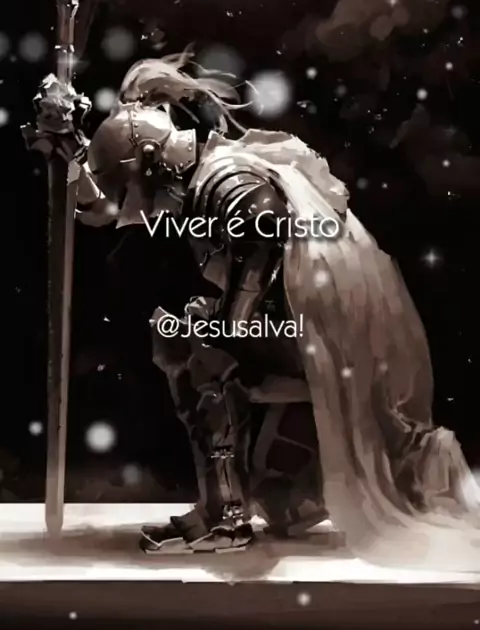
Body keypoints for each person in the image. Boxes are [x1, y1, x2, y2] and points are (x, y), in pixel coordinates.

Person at [25, 53, 480, 569]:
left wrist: (221, 330)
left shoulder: (229, 182)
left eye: (139, 187)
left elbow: (264, 237)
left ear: (154, 160)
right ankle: (229, 502)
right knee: (185, 341)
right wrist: (71, 146)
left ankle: (226, 517)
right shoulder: (201, 174)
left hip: (326, 342)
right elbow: (106, 206)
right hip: (300, 326)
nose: (142, 205)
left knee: (197, 355)